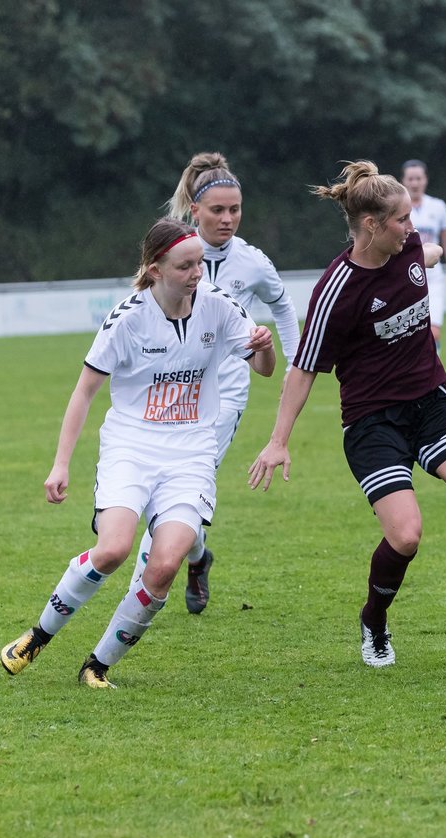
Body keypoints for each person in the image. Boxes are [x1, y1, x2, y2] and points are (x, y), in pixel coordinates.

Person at [248, 161, 446, 668]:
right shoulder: (337, 291)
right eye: (402, 219)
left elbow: (430, 252)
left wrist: (436, 256)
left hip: (430, 403)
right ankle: (374, 621)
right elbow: (304, 369)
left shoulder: (413, 249)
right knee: (406, 535)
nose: (412, 227)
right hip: (372, 421)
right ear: (371, 226)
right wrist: (278, 439)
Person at [0, 218, 275, 688]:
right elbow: (85, 391)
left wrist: (264, 347)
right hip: (132, 445)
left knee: (165, 565)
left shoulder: (220, 308)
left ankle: (98, 666)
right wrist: (61, 462)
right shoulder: (127, 318)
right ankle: (38, 636)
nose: (197, 275)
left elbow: (265, 369)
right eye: (185, 266)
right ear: (154, 270)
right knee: (112, 550)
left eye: (200, 266)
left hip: (191, 453)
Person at [127, 152, 301, 615]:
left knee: (180, 486)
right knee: (158, 488)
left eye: (235, 210)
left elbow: (282, 306)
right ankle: (198, 557)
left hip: (223, 395)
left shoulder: (253, 262)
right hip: (170, 390)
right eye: (218, 211)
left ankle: (138, 592)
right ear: (194, 210)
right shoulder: (171, 253)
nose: (228, 219)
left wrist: (296, 361)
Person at [400, 159, 446, 348]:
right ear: (403, 180)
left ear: (425, 180)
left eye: (418, 178)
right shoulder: (396, 209)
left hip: (432, 277)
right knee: (408, 333)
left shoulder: (438, 207)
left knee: (433, 331)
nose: (414, 183)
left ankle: (432, 375)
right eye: (410, 179)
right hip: (404, 277)